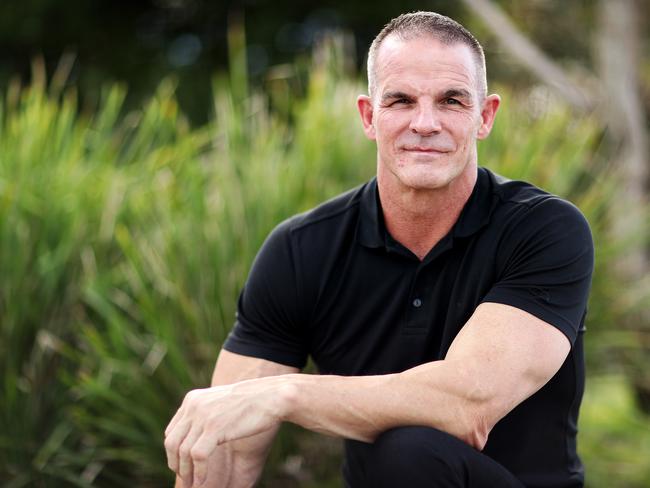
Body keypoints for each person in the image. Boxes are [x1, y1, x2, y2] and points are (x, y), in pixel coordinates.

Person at [164, 11, 593, 488]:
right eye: (401, 101)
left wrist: (282, 394)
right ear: (369, 116)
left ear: (485, 116)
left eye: (451, 101)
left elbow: (465, 407)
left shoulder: (545, 229)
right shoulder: (302, 249)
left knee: (410, 452)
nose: (425, 123)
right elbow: (221, 442)